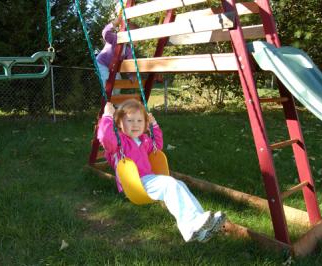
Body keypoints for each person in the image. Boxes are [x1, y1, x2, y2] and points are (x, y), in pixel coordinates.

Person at [97, 99, 226, 243]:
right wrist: (107, 117)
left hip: (148, 179)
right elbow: (105, 137)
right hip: (135, 184)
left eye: (140, 121)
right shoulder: (118, 142)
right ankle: (192, 226)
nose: (135, 124)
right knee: (170, 184)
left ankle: (201, 227)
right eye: (130, 120)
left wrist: (154, 125)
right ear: (119, 124)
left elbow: (157, 146)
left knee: (179, 185)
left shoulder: (143, 140)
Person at [96, 16, 136, 96]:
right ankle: (109, 102)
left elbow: (129, 63)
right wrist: (114, 23)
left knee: (118, 82)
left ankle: (115, 101)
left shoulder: (128, 49)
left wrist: (131, 75)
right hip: (102, 63)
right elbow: (105, 33)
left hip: (113, 67)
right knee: (107, 82)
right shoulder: (115, 38)